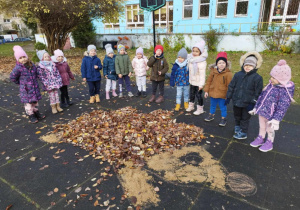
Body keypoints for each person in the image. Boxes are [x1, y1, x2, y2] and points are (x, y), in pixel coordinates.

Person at [249, 60, 295, 152]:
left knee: (269, 129)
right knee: (262, 127)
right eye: (271, 76)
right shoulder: (271, 85)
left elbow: (282, 107)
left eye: (274, 77)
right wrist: (256, 107)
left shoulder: (284, 91)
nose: (271, 79)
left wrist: (276, 119)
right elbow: (262, 96)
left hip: (271, 116)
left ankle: (269, 142)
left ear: (282, 79)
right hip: (262, 112)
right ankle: (260, 138)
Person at [226, 51, 263, 139]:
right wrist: (228, 97)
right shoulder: (238, 75)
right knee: (237, 115)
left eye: (250, 65)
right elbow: (231, 86)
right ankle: (238, 127)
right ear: (243, 65)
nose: (247, 67)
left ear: (254, 66)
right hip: (237, 101)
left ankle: (243, 132)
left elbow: (258, 92)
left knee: (245, 118)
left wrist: (253, 103)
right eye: (246, 65)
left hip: (247, 103)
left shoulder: (257, 78)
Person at [10, 45, 45, 123]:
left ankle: (36, 112)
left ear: (27, 56)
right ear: (17, 59)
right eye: (20, 58)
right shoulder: (18, 68)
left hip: (34, 87)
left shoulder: (31, 65)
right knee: (28, 103)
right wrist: (20, 83)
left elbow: (36, 74)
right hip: (26, 90)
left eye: (24, 57)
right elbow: (12, 77)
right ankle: (31, 115)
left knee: (35, 102)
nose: (23, 59)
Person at [204, 52, 232, 126]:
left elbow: (230, 85)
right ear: (216, 64)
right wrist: (206, 91)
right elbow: (208, 81)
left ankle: (223, 118)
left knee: (223, 107)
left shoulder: (228, 74)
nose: (221, 64)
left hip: (222, 94)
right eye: (219, 63)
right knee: (212, 105)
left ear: (226, 64)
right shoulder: (213, 72)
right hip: (213, 92)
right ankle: (211, 115)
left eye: (223, 62)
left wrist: (228, 95)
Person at [37, 49, 63, 114]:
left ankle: (58, 106)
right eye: (45, 57)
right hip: (48, 84)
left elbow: (57, 73)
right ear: (42, 58)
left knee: (56, 94)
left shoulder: (53, 64)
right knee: (51, 96)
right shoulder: (41, 66)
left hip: (55, 82)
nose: (47, 58)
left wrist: (58, 79)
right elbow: (41, 76)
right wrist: (45, 83)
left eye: (48, 56)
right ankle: (53, 107)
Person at [185, 39, 208, 115]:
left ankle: (200, 108)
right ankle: (191, 106)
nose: (194, 53)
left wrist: (201, 84)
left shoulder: (202, 62)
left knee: (198, 95)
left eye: (196, 51)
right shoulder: (191, 59)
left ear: (200, 52)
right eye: (193, 51)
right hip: (192, 81)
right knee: (191, 94)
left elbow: (202, 75)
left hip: (198, 83)